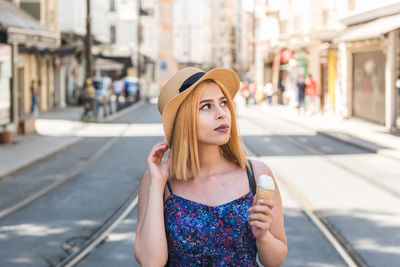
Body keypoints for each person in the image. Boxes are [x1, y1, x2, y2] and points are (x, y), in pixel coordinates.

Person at [134, 67, 287, 266]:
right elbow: (150, 262)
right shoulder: (157, 182)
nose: (222, 113)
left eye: (224, 103)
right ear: (183, 120)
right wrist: (157, 184)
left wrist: (263, 235)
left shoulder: (256, 174)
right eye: (206, 106)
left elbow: (275, 261)